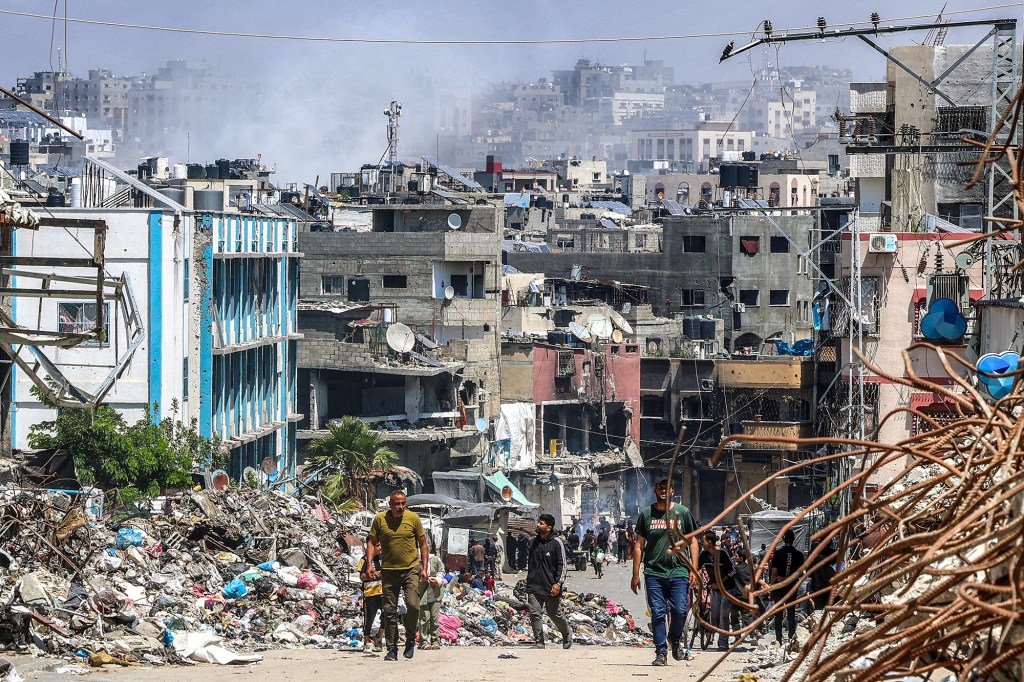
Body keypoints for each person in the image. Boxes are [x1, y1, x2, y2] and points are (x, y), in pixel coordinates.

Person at [631, 479, 699, 667]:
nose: (663, 490)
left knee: (680, 610)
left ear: (671, 491)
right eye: (660, 487)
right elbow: (639, 545)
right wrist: (635, 574)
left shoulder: (683, 513)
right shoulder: (646, 514)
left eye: (666, 487)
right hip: (653, 572)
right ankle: (661, 652)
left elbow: (693, 542)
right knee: (658, 613)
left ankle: (674, 639)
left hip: (679, 570)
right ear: (655, 490)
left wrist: (694, 568)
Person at [366, 490, 429, 661]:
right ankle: (392, 648)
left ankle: (410, 639)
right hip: (389, 571)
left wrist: (424, 568)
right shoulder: (380, 519)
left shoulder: (413, 519)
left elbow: (423, 544)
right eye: (396, 504)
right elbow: (371, 542)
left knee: (413, 605)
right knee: (389, 610)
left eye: (403, 503)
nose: (400, 507)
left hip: (410, 569)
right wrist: (370, 564)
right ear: (390, 505)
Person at [526, 513, 572, 649]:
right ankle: (539, 642)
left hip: (551, 586)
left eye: (541, 523)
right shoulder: (534, 541)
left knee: (555, 614)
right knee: (535, 613)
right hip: (534, 585)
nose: (537, 525)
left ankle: (566, 633)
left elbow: (562, 565)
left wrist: (558, 583)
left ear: (549, 527)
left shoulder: (557, 543)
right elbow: (531, 562)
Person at [699, 531, 735, 651]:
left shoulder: (722, 554)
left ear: (709, 542)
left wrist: (719, 583)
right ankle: (713, 635)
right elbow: (696, 568)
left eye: (703, 541)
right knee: (715, 615)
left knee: (724, 616)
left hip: (727, 589)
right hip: (714, 589)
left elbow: (732, 571)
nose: (701, 543)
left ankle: (723, 643)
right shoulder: (703, 555)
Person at [771, 529, 806, 648]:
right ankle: (791, 638)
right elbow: (801, 573)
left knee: (778, 614)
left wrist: (774, 584)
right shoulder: (799, 555)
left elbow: (774, 573)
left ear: (783, 539)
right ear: (793, 539)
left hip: (779, 587)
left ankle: (778, 639)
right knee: (791, 613)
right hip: (792, 588)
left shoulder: (778, 553)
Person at [357, 538, 384, 653]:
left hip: (383, 593)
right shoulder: (364, 559)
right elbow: (361, 576)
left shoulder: (383, 559)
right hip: (370, 593)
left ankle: (378, 637)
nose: (380, 548)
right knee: (369, 619)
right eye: (377, 546)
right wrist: (371, 575)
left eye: (380, 545)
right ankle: (367, 640)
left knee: (387, 615)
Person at [418, 546, 446, 650]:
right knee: (424, 617)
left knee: (434, 617)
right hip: (423, 594)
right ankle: (424, 641)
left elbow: (441, 571)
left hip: (435, 593)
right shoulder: (417, 561)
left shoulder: (435, 559)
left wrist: (437, 580)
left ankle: (435, 640)